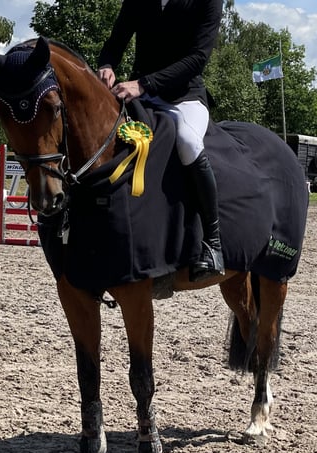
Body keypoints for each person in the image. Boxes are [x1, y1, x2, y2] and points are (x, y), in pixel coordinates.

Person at [97, 0, 225, 282]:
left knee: (188, 142)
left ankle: (212, 242)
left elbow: (197, 58)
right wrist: (107, 64)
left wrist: (145, 84)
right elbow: (116, 39)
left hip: (183, 97)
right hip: (137, 94)